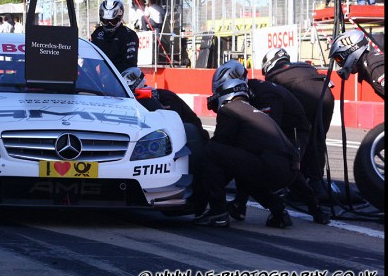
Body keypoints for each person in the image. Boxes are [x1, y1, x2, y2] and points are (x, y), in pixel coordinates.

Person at [210, 60, 330, 225]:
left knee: (291, 165)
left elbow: (270, 131)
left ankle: (315, 208)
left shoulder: (265, 94)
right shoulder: (247, 93)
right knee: (246, 158)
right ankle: (240, 205)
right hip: (277, 129)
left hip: (293, 130)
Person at [195, 78, 298, 228]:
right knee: (244, 168)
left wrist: (201, 190)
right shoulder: (256, 111)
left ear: (225, 94)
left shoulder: (229, 109)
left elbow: (219, 145)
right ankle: (279, 212)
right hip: (289, 169)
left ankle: (218, 212)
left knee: (211, 150)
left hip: (270, 165)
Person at [121, 67, 209, 216]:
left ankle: (193, 198)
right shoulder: (124, 105)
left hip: (185, 143)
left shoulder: (165, 97)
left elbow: (191, 125)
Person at [262, 48, 335, 202]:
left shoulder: (273, 76)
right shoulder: (303, 66)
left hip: (302, 95)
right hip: (326, 95)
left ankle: (293, 181)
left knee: (291, 139)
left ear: (269, 64)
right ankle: (315, 181)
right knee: (317, 139)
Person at [329, 29, 384, 99]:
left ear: (350, 52)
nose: (340, 64)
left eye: (339, 59)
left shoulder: (376, 67)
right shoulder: (368, 64)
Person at [90, 0, 139, 73]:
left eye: (113, 21)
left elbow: (130, 65)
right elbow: (90, 60)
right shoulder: (97, 33)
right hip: (98, 78)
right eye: (105, 21)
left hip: (119, 77)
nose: (109, 24)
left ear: (120, 17)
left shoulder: (129, 35)